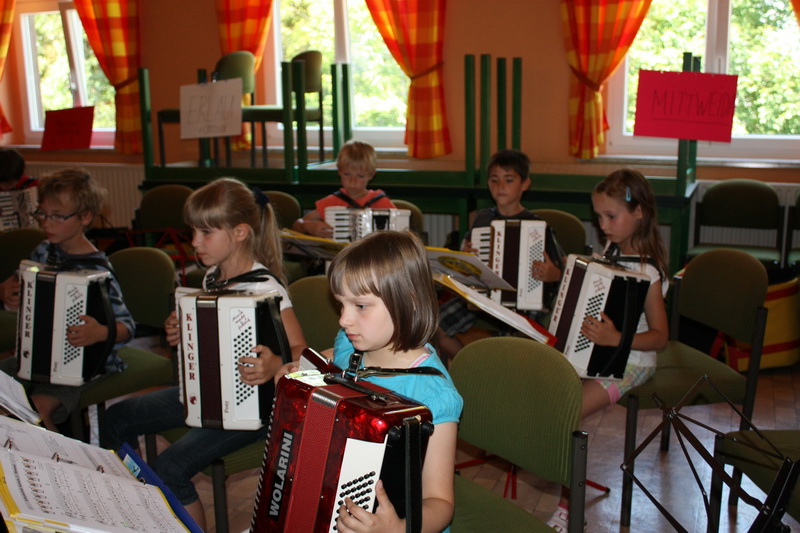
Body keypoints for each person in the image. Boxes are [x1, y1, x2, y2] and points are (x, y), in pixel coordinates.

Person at [101, 177, 307, 530]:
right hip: (206, 395)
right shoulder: (212, 276)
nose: (195, 241)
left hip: (253, 409)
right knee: (116, 418)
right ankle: (134, 505)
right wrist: (181, 330)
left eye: (206, 232)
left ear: (240, 232)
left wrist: (275, 363)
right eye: (193, 231)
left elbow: (301, 350)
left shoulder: (267, 287)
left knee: (171, 467)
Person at [279, 230, 463, 532]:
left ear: (408, 302)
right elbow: (327, 362)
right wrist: (298, 371)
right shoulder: (350, 344)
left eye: (360, 306)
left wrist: (397, 529)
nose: (344, 319)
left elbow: (440, 501)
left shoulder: (433, 395)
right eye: (341, 304)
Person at [547, 168, 669, 532]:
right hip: (599, 352)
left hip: (633, 362)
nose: (602, 225)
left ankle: (570, 507)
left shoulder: (648, 272)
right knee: (548, 389)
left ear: (639, 212)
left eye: (611, 216)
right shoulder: (611, 252)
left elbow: (660, 338)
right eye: (598, 216)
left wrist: (616, 339)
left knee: (568, 412)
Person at [0, 169, 134, 431]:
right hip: (35, 355)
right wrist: (6, 292)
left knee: (37, 410)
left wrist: (99, 332)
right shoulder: (43, 251)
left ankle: (57, 454)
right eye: (42, 213)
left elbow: (127, 326)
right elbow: (18, 287)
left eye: (58, 216)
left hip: (85, 363)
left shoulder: (98, 269)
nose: (46, 223)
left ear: (85, 216)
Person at [434, 149, 564, 361]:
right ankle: (469, 365)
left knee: (519, 347)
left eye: (509, 180)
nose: (500, 186)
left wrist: (554, 274)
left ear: (525, 184)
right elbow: (466, 264)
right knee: (432, 326)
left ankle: (504, 369)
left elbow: (562, 268)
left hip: (524, 301)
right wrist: (466, 258)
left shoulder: (538, 225)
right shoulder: (483, 219)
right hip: (483, 297)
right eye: (494, 180)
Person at [292, 139, 396, 238]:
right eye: (347, 174)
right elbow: (297, 224)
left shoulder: (381, 202)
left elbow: (400, 229)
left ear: (371, 175)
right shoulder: (331, 201)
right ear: (339, 171)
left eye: (360, 176)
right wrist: (308, 226)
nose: (353, 181)